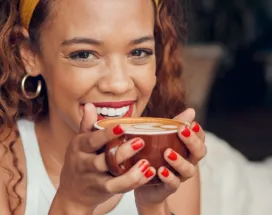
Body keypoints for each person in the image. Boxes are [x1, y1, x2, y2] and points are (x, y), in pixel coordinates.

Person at [0, 0, 207, 214]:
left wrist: (152, 205)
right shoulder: (5, 168)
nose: (119, 85)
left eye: (139, 52)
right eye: (84, 54)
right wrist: (74, 202)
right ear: (29, 54)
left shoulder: (174, 166)